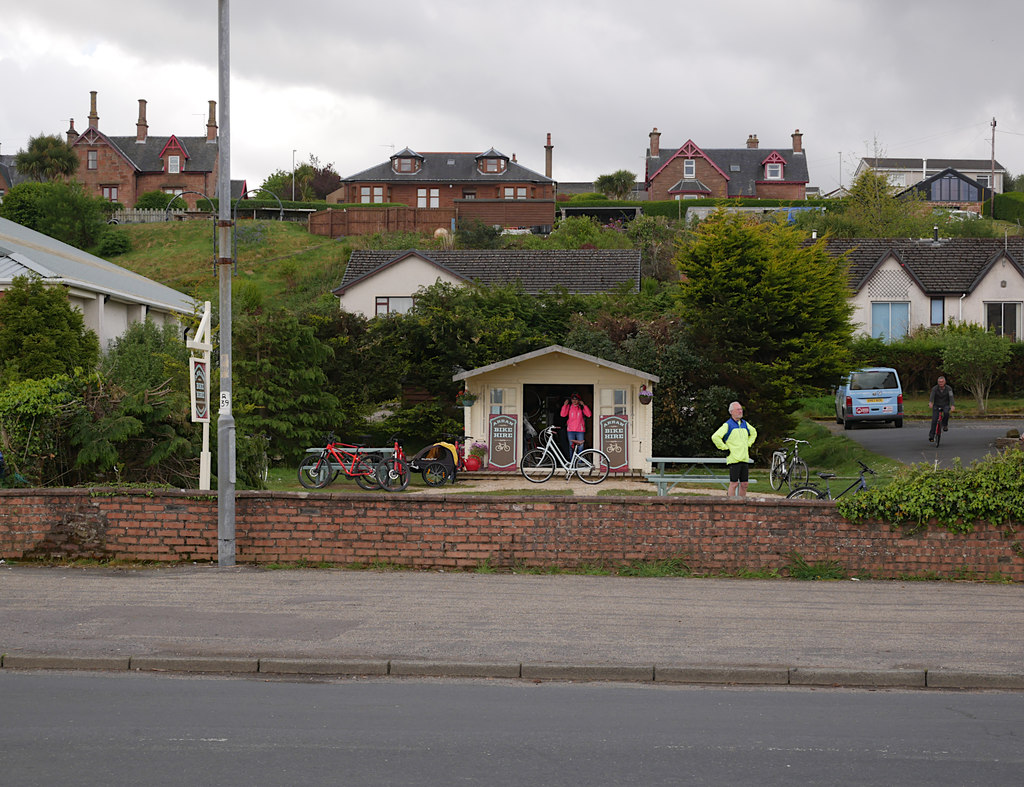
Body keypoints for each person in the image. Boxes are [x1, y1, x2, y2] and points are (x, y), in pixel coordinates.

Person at [711, 401, 757, 498]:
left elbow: (754, 433)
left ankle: (741, 504)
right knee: (734, 484)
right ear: (731, 412)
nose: (740, 411)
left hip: (744, 458)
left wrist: (748, 444)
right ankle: (731, 504)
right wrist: (724, 448)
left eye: (741, 409)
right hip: (734, 459)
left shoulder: (745, 424)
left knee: (744, 484)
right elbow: (715, 437)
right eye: (738, 409)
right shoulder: (728, 425)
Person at [560, 392, 591, 458]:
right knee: (571, 446)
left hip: (580, 430)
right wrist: (565, 405)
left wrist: (584, 405)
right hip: (570, 430)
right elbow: (562, 415)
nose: (574, 401)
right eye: (573, 399)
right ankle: (572, 462)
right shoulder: (569, 407)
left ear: (579, 400)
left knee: (580, 447)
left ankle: (579, 462)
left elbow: (589, 415)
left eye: (576, 399)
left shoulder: (581, 408)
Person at [928, 376, 955, 442]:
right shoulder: (935, 388)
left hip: (945, 404)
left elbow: (951, 397)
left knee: (946, 413)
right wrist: (930, 402)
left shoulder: (949, 388)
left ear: (945, 382)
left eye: (942, 382)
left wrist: (952, 405)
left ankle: (944, 424)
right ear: (938, 382)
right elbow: (932, 395)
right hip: (936, 405)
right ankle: (931, 436)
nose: (941, 383)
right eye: (939, 382)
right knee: (934, 420)